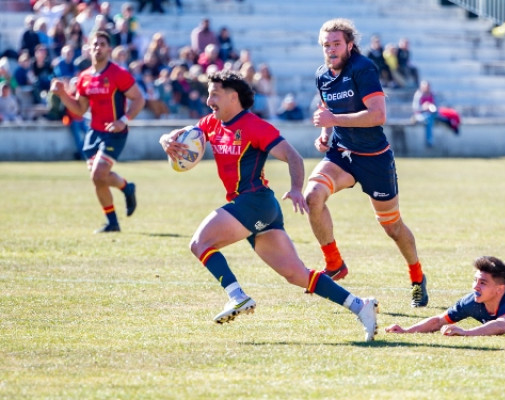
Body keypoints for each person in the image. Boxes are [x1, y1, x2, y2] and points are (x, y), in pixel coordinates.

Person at [158, 70, 379, 341]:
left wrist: (297, 189)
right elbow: (179, 135)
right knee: (296, 274)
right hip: (259, 210)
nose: (208, 100)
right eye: (208, 94)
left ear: (233, 97)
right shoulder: (211, 123)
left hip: (255, 203)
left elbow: (293, 157)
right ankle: (360, 306)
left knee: (199, 243)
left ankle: (236, 296)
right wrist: (166, 140)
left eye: (214, 94)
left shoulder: (254, 126)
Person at [305, 18, 429, 307]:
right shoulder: (322, 74)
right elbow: (327, 106)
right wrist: (325, 134)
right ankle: (334, 263)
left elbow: (377, 115)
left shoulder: (363, 68)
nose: (331, 50)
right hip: (341, 154)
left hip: (374, 158)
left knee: (392, 227)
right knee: (313, 196)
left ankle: (417, 277)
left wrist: (332, 120)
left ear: (349, 45)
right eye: (326, 45)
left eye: (336, 44)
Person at [50, 31, 144, 233]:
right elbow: (80, 109)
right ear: (88, 48)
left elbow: (139, 99)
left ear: (109, 49)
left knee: (98, 173)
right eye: (95, 44)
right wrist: (62, 94)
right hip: (94, 133)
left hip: (115, 132)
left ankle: (121, 200)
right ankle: (115, 215)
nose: (98, 48)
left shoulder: (118, 73)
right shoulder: (84, 77)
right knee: (98, 177)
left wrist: (123, 120)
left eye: (102, 44)